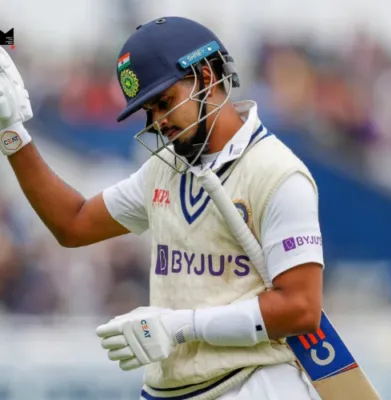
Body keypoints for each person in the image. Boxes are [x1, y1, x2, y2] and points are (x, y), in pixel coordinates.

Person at [0, 16, 324, 400]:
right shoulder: (164, 168)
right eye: (149, 111)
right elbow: (73, 224)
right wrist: (13, 132)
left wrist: (179, 327)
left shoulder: (277, 173)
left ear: (205, 76)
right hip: (171, 389)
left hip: (253, 385)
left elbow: (301, 309)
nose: (158, 123)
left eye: (165, 102)